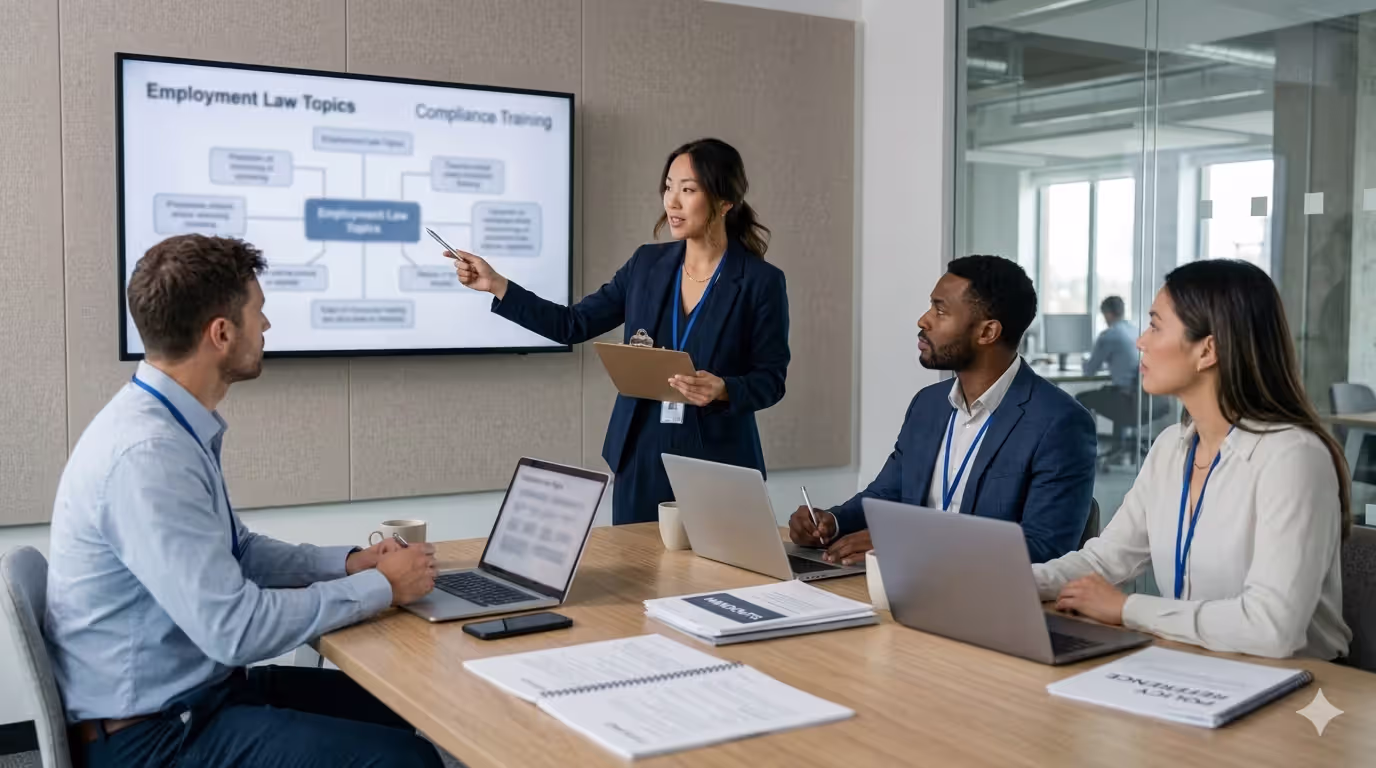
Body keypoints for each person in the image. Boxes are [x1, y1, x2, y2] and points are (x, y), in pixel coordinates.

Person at [46, 235, 444, 767]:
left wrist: (349, 563)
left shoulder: (166, 424)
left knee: (403, 705)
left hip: (196, 699)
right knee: (401, 761)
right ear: (221, 333)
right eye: (260, 312)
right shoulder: (148, 456)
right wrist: (379, 587)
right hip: (155, 739)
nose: (268, 327)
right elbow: (236, 629)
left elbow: (239, 553)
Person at [446, 138, 789, 524]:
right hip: (640, 452)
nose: (671, 201)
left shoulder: (761, 282)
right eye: (668, 186)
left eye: (688, 190)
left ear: (725, 202)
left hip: (718, 457)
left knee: (720, 578)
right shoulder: (646, 264)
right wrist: (497, 285)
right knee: (639, 576)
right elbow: (571, 325)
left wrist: (724, 388)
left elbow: (771, 379)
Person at [1035, 259, 1352, 660]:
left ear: (1208, 350)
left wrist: (1127, 609)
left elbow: (1272, 628)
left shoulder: (1292, 458)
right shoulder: (1172, 448)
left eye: (1155, 325)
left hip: (1298, 686)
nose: (1140, 342)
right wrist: (1018, 582)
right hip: (1193, 663)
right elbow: (1105, 559)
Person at [789, 255, 1097, 565]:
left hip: (986, 601)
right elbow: (888, 493)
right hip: (903, 581)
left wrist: (910, 543)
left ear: (987, 333)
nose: (923, 320)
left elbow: (1045, 548)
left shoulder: (1059, 423)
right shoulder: (928, 404)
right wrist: (831, 522)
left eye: (940, 310)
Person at [1077, 295, 1143, 460]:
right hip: (1148, 399)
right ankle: (1118, 446)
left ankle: (1086, 450)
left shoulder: (1109, 335)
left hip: (1127, 400)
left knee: (1081, 399)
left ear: (1107, 314)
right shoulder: (1135, 330)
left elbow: (1089, 371)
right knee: (1112, 392)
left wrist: (1085, 361)